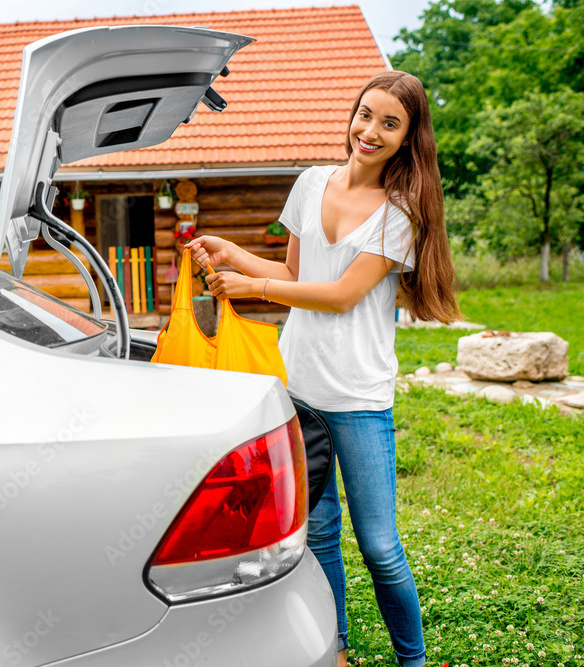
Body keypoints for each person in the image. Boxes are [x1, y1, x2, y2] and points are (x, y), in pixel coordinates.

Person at [186, 70, 461, 667]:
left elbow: (339, 294)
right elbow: (297, 276)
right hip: (298, 387)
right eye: (366, 114)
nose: (371, 131)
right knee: (319, 535)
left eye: (391, 123)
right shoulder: (311, 184)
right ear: (353, 113)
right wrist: (233, 253)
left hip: (358, 397)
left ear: (409, 138)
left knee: (381, 547)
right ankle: (336, 650)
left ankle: (411, 661)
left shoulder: (400, 212)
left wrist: (250, 285)